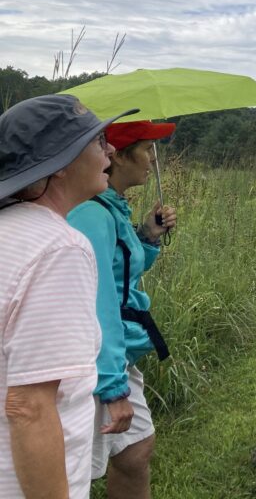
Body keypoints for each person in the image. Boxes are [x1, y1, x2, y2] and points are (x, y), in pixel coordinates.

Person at [0, 94, 135, 498]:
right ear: (59, 164)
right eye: (97, 141)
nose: (111, 148)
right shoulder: (60, 249)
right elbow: (28, 406)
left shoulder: (10, 232)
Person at [67, 120, 178, 499]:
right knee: (74, 474)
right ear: (119, 155)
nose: (151, 160)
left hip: (115, 356)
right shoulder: (92, 215)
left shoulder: (111, 207)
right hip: (97, 360)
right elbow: (99, 304)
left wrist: (148, 235)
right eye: (147, 149)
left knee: (136, 450)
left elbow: (122, 275)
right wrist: (112, 386)